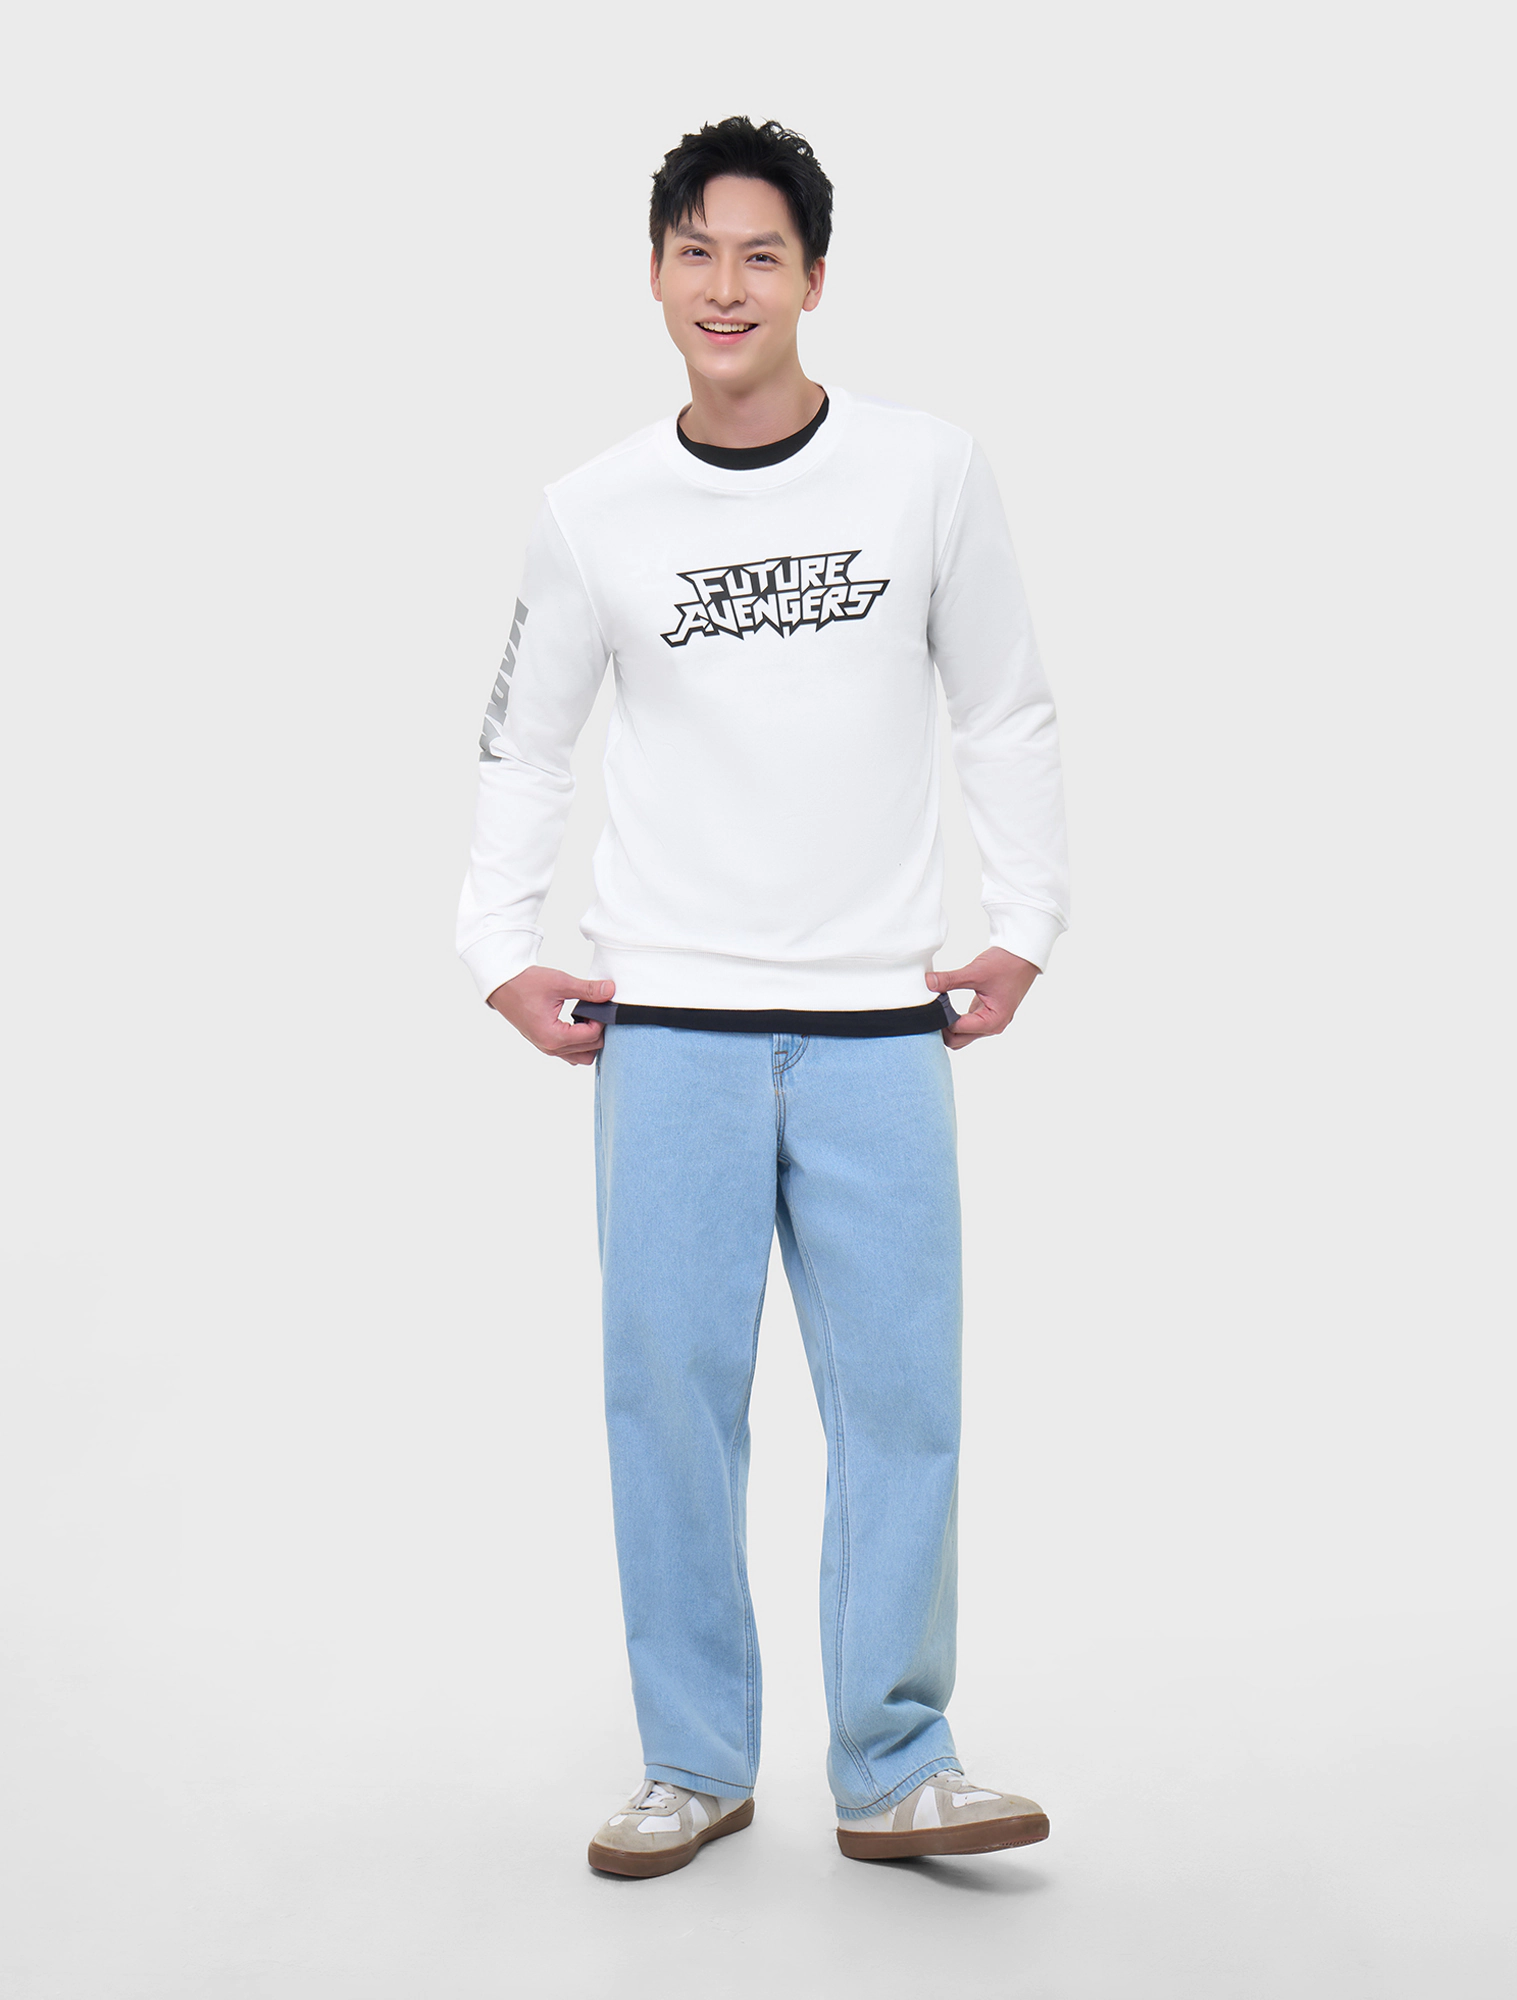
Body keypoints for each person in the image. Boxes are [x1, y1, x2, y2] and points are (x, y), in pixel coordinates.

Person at [458, 116, 1068, 1877]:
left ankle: (896, 1761)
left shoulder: (926, 473)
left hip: (882, 1020)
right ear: (656, 273)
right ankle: (694, 1763)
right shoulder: (592, 512)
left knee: (903, 1405)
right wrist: (499, 949)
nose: (726, 287)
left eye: (762, 256)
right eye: (695, 253)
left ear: (813, 278)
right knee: (669, 1401)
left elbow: (1006, 706)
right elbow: (523, 743)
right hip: (670, 1028)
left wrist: (1026, 920)